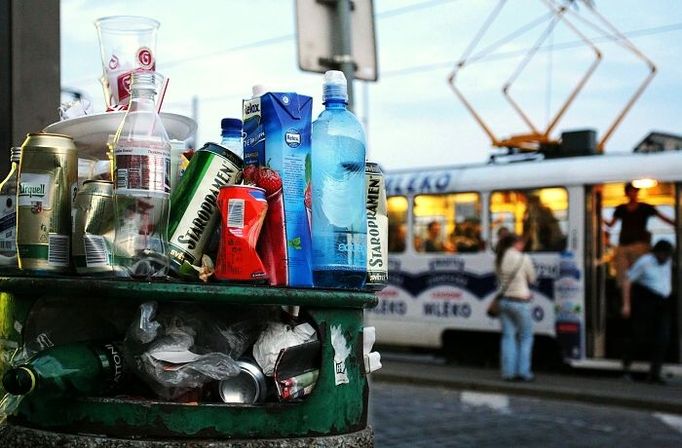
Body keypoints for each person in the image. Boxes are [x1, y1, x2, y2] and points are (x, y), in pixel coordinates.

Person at [605, 182, 674, 293]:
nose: (634, 193)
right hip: (623, 246)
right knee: (623, 276)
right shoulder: (621, 209)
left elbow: (662, 217)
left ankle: (639, 298)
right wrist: (596, 215)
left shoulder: (645, 207)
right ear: (627, 193)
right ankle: (625, 301)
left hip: (640, 246)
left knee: (641, 275)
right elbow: (610, 224)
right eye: (631, 191)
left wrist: (676, 224)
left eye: (635, 191)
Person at [621, 240, 674, 384]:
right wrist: (626, 305)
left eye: (668, 255)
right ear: (656, 253)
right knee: (639, 335)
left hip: (663, 302)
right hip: (647, 300)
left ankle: (654, 374)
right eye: (664, 255)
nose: (666, 258)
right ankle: (626, 365)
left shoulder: (668, 262)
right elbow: (627, 280)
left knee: (663, 338)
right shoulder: (645, 262)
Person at [495, 233, 537, 381]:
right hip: (520, 302)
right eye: (522, 243)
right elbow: (532, 278)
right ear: (517, 243)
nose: (523, 246)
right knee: (526, 337)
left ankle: (508, 373)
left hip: (504, 302)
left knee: (508, 337)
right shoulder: (523, 258)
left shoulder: (500, 258)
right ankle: (524, 372)